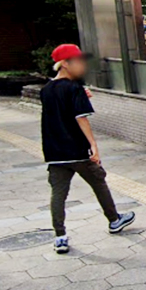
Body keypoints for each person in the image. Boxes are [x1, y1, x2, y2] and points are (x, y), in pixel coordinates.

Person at [40, 44, 136, 254]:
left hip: (54, 153)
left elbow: (59, 110)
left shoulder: (46, 90)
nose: (83, 65)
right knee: (98, 182)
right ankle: (114, 220)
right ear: (65, 64)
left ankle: (60, 237)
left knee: (58, 194)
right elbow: (80, 118)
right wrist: (93, 145)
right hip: (76, 150)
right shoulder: (74, 89)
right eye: (78, 61)